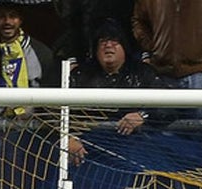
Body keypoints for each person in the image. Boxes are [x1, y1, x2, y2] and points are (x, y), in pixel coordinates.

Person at [67, 20, 165, 162]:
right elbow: (56, 113)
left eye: (114, 41)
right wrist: (69, 138)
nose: (108, 45)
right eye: (103, 42)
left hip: (136, 144)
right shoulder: (80, 75)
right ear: (95, 50)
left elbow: (169, 107)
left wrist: (143, 115)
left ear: (124, 47)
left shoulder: (143, 72)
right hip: (88, 146)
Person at [131, 0, 202, 118]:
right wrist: (153, 46)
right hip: (162, 70)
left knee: (200, 126)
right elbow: (139, 21)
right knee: (162, 124)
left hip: (198, 70)